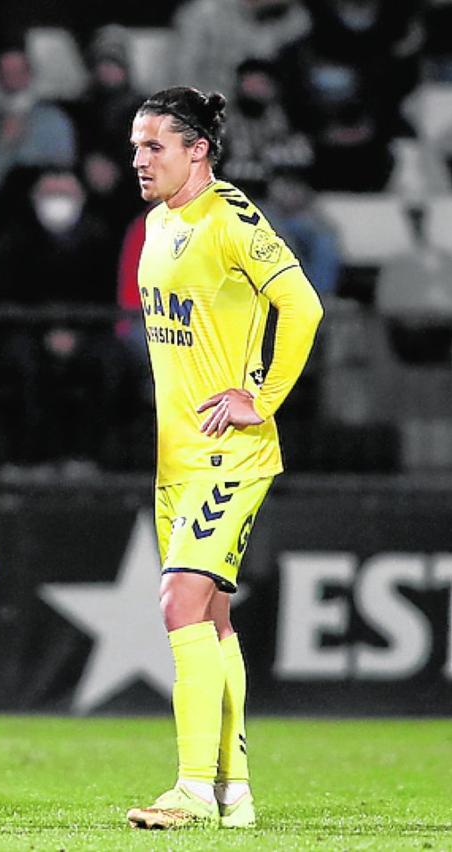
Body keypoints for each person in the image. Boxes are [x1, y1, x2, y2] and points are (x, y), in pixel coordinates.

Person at [124, 87, 323, 829]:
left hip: (229, 454)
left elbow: (304, 305)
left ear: (198, 150)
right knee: (211, 622)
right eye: (137, 146)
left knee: (178, 601)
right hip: (176, 457)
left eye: (155, 146)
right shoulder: (157, 223)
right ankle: (233, 791)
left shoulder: (232, 217)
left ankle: (190, 788)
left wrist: (260, 399)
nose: (140, 160)